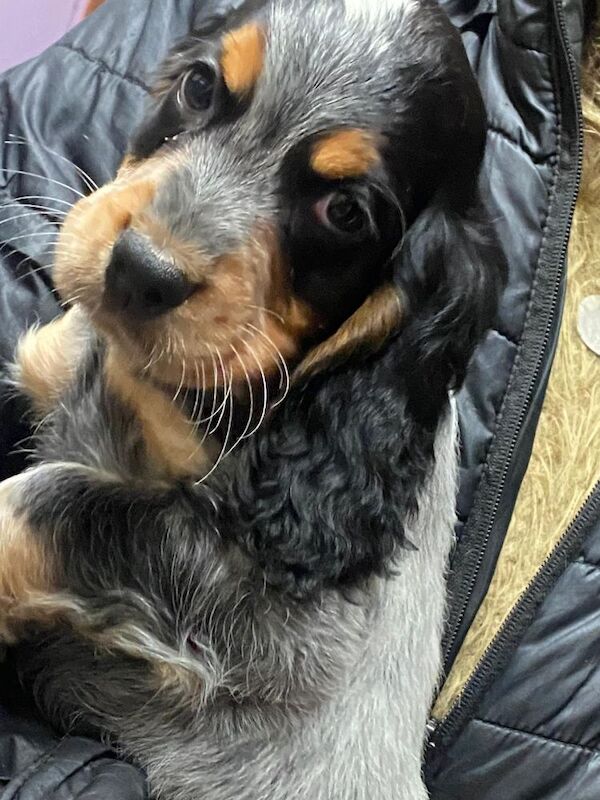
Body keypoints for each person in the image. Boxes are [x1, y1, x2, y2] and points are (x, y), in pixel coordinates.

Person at [0, 0, 596, 797]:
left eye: (342, 211)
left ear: (390, 297)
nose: (163, 244)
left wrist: (46, 529)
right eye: (203, 92)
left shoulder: (383, 359)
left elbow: (281, 620)